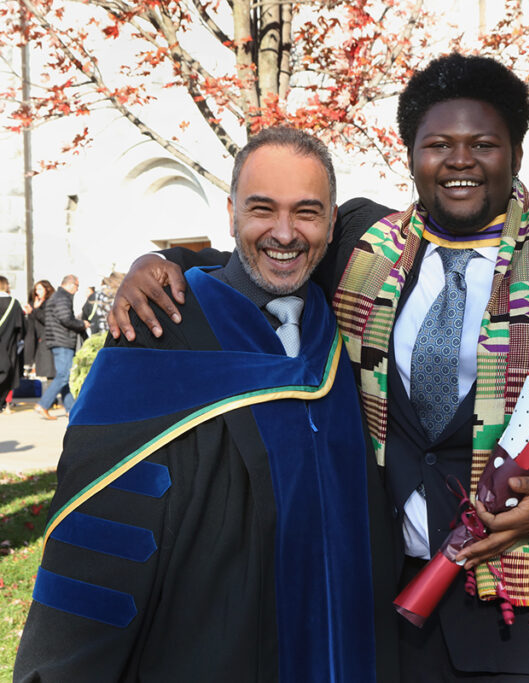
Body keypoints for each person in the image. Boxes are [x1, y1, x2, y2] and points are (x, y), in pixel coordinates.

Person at [108, 54, 529, 682]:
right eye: (438, 143)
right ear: (410, 155)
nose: (461, 160)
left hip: (520, 615)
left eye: (484, 144)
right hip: (375, 597)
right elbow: (264, 251)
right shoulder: (362, 251)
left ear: (516, 155)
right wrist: (159, 260)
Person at [14, 128, 379, 682]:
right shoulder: (158, 330)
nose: (285, 232)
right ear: (231, 212)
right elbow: (99, 543)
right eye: (262, 209)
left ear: (331, 222)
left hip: (339, 645)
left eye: (307, 212)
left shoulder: (340, 332)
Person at [35, 274, 87, 419]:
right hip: (62, 341)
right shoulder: (62, 298)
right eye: (77, 286)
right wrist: (82, 324)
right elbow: (66, 319)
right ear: (71, 284)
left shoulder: (57, 297)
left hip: (58, 340)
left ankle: (70, 409)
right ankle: (43, 404)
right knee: (64, 375)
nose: (77, 290)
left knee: (66, 375)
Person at [0, 276, 25, 413]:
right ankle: (5, 404)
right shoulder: (14, 304)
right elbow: (20, 327)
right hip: (8, 346)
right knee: (8, 375)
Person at [23, 280, 55, 381]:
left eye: (40, 289)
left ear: (47, 290)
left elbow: (47, 320)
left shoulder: (50, 303)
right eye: (36, 289)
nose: (37, 292)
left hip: (48, 338)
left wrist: (35, 310)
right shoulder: (34, 303)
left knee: (50, 371)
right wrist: (30, 312)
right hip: (36, 338)